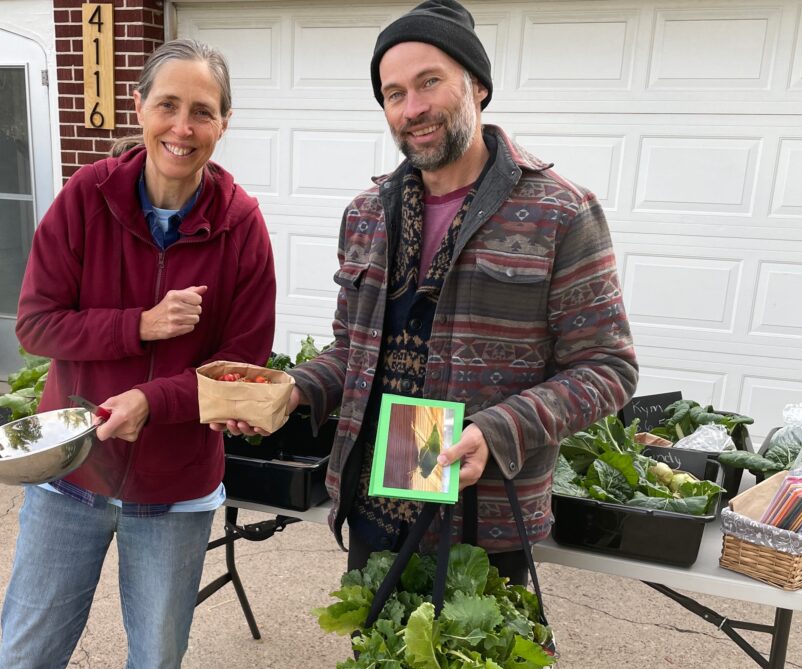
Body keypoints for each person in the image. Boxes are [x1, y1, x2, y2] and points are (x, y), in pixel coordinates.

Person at [215, 0, 638, 585]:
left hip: (484, 516)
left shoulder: (559, 212)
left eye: (429, 82)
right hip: (375, 502)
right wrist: (291, 391)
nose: (412, 108)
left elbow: (606, 367)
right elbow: (350, 354)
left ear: (478, 86)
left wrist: (497, 431)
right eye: (393, 93)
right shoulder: (365, 213)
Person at [0, 39, 276, 669]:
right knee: (23, 667)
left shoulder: (242, 228)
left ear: (224, 123)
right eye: (167, 105)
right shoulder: (87, 201)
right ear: (139, 108)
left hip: (175, 493)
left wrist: (151, 397)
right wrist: (138, 325)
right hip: (70, 478)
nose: (182, 125)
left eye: (201, 111)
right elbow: (35, 323)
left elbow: (241, 370)